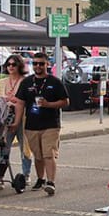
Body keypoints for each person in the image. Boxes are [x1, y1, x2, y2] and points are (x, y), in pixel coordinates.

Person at [15, 52, 69, 196]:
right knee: (38, 155)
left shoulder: (54, 82)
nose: (38, 66)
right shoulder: (26, 82)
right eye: (35, 63)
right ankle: (40, 179)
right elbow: (20, 103)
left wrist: (48, 104)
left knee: (48, 154)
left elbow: (65, 101)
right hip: (31, 125)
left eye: (41, 63)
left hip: (50, 124)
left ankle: (51, 182)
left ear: (47, 64)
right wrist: (16, 122)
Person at [0, 54, 33, 184]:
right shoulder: (1, 82)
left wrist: (17, 102)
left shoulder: (26, 81)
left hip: (24, 118)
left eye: (14, 64)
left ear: (19, 66)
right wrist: (4, 100)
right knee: (4, 148)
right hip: (5, 119)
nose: (10, 67)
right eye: (8, 64)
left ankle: (26, 175)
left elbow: (31, 100)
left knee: (25, 148)